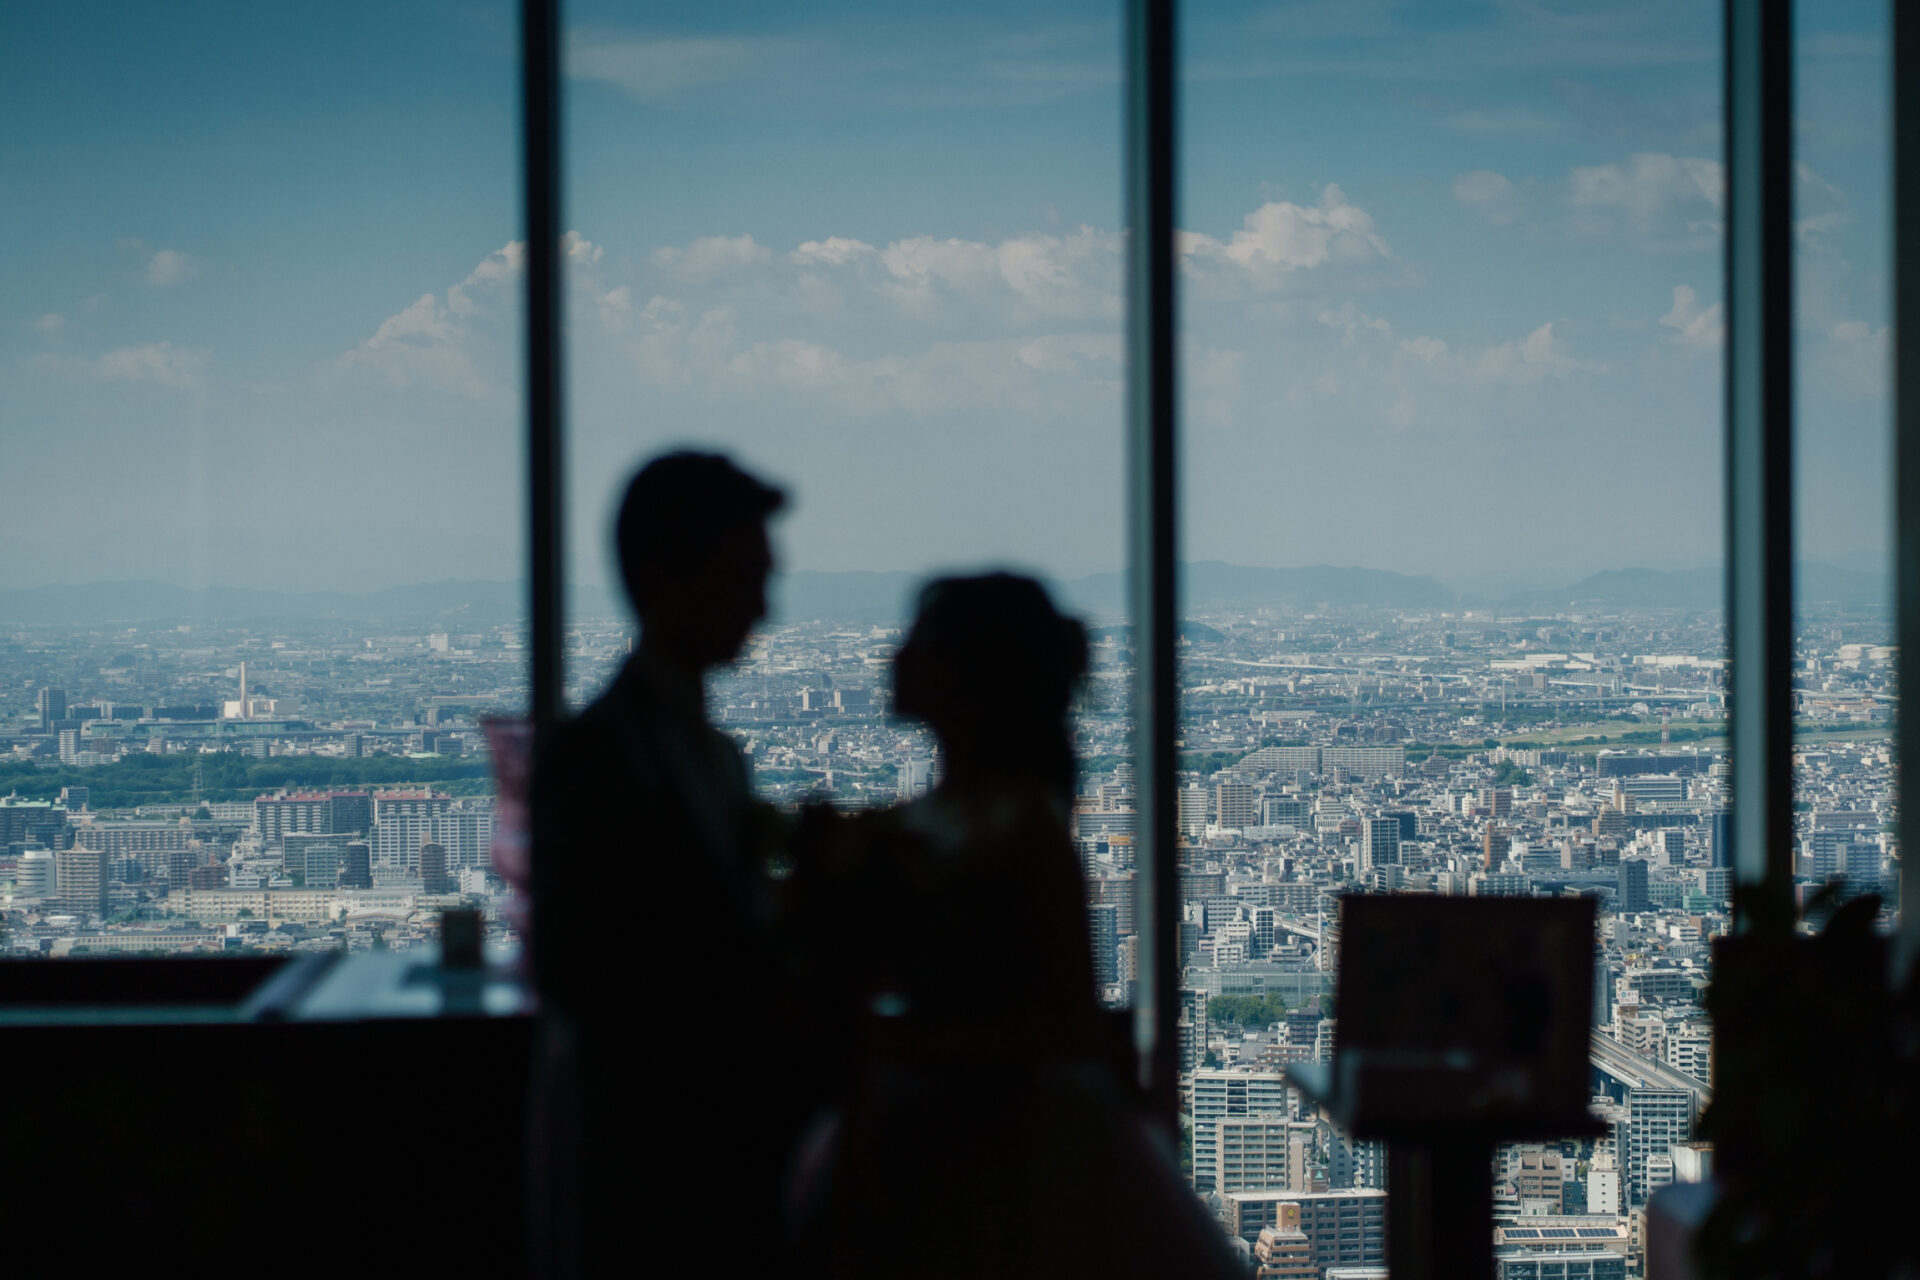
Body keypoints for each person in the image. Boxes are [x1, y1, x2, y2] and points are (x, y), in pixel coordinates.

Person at [791, 574, 1244, 1280]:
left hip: (992, 1135)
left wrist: (908, 1043)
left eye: (921, 643)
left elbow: (1069, 1020)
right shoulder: (945, 824)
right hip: (977, 1130)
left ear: (969, 678)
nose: (894, 656)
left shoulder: (1012, 831)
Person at [531, 451, 795, 1278]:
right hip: (645, 1158)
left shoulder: (695, 752)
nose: (763, 607)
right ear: (663, 580)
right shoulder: (597, 756)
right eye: (743, 577)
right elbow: (579, 970)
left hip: (687, 1154)